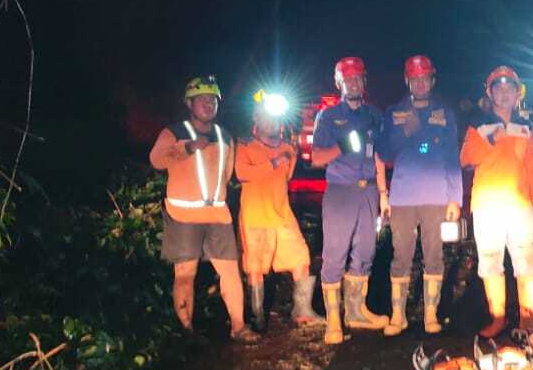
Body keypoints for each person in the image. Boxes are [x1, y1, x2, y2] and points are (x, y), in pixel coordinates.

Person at [147, 75, 256, 341]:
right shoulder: (175, 132)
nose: (208, 104)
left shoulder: (225, 136)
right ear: (189, 103)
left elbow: (228, 172)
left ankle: (239, 327)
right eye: (202, 100)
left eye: (212, 100)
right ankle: (187, 331)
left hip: (217, 214)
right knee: (185, 273)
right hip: (183, 215)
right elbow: (156, 159)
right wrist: (187, 149)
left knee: (230, 270)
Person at [378, 54, 463, 335]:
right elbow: (385, 153)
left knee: (434, 255)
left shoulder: (445, 113)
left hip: (437, 195)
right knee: (400, 255)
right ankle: (398, 315)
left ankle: (430, 314)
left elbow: (453, 156)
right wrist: (404, 133)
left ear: (432, 80)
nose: (420, 83)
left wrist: (455, 198)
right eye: (414, 79)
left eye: (425, 77)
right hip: (403, 196)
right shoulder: (394, 113)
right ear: (407, 81)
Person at [310, 56, 390, 345]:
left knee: (366, 250)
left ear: (364, 82)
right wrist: (343, 146)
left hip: (368, 191)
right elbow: (316, 158)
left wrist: (383, 193)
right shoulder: (328, 117)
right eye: (348, 79)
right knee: (335, 253)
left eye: (358, 78)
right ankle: (334, 321)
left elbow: (379, 155)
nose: (354, 83)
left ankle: (357, 312)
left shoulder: (375, 115)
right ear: (339, 83)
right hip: (340, 191)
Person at [460, 66, 533, 338]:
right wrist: (492, 140)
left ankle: (529, 321)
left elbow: (531, 166)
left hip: (519, 205)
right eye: (499, 88)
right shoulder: (479, 125)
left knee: (527, 262)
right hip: (487, 205)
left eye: (510, 88)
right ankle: (498, 318)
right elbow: (466, 158)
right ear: (490, 92)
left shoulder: (526, 127)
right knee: (491, 262)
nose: (504, 93)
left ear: (518, 93)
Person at [235, 90, 322, 333]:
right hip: (256, 216)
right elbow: (242, 174)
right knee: (256, 267)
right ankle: (256, 318)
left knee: (301, 258)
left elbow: (288, 176)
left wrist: (285, 155)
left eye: (275, 119)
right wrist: (272, 162)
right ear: (256, 120)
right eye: (266, 118)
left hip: (282, 214)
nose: (272, 123)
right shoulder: (245, 145)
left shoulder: (288, 148)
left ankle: (302, 311)